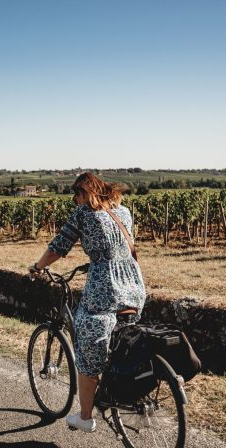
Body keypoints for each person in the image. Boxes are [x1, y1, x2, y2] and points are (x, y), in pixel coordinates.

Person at [29, 172, 146, 432]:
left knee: (87, 346)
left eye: (76, 196)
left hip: (105, 289)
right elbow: (116, 248)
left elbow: (58, 248)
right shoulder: (124, 211)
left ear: (84, 192)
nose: (76, 201)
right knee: (121, 341)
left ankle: (84, 416)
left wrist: (38, 267)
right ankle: (114, 391)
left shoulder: (84, 214)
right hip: (134, 286)